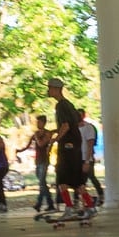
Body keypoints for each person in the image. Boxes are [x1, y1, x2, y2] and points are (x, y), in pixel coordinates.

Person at [47, 79, 94, 220]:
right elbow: (75, 124)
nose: (48, 90)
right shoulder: (69, 105)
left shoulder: (60, 106)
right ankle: (90, 206)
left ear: (56, 89)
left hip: (67, 146)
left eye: (49, 88)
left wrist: (55, 139)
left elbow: (66, 126)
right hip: (74, 147)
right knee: (76, 180)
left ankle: (69, 208)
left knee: (62, 177)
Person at [19, 115, 55, 213]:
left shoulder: (47, 133)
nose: (38, 124)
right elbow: (28, 144)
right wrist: (20, 150)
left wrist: (36, 137)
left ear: (44, 123)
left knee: (42, 182)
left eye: (39, 122)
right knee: (42, 183)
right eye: (37, 122)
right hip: (38, 160)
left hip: (44, 160)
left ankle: (39, 203)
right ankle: (50, 203)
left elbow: (41, 144)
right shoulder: (36, 133)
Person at [78, 109, 104, 204]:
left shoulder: (88, 127)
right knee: (79, 181)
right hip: (78, 158)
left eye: (80, 115)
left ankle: (100, 195)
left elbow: (90, 144)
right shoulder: (74, 128)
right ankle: (82, 199)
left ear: (83, 116)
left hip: (86, 158)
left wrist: (88, 160)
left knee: (90, 177)